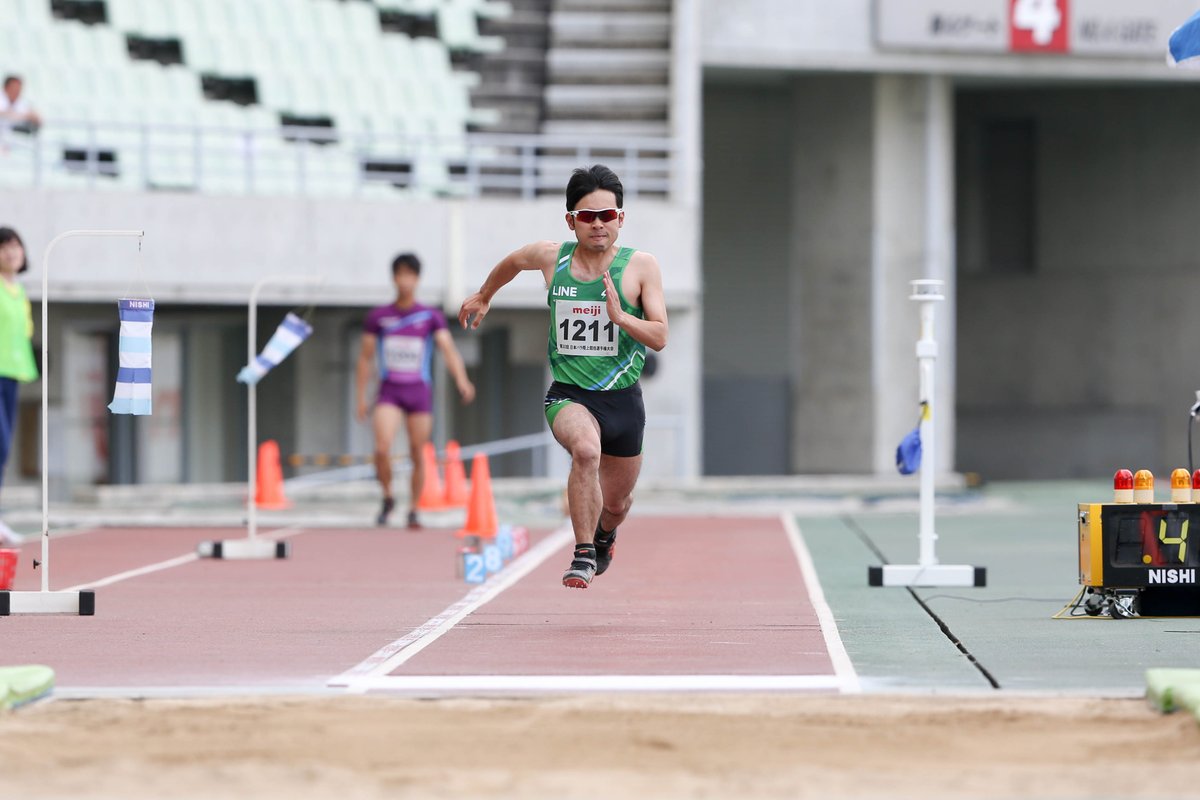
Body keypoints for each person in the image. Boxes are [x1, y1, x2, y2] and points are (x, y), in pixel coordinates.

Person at [457, 165, 668, 589]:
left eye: (606, 216)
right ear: (571, 220)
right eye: (587, 216)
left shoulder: (640, 267)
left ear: (620, 219)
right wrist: (485, 294)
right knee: (586, 452)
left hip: (623, 401)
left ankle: (605, 536)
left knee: (618, 504)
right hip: (569, 395)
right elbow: (514, 261)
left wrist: (621, 317)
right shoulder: (553, 258)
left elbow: (660, 336)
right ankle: (583, 553)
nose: (597, 225)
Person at [356, 253, 475, 528]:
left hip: (418, 391)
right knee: (382, 447)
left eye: (411, 274)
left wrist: (462, 380)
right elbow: (364, 358)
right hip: (389, 391)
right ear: (394, 278)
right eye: (401, 274)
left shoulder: (429, 316)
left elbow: (448, 350)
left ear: (417, 279)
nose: (405, 280)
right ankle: (387, 496)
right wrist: (361, 397)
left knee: (417, 450)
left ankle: (412, 507)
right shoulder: (379, 317)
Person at [0, 228, 38, 546]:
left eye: (15, 246)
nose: (11, 252)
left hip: (12, 373)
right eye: (4, 247)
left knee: (4, 449)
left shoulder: (20, 290)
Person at [0, 75, 41, 144]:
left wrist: (33, 117)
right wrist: (23, 116)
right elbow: (3, 113)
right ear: (6, 87)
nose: (17, 91)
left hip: (11, 141)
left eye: (19, 89)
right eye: (14, 88)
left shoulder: (20, 102)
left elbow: (36, 117)